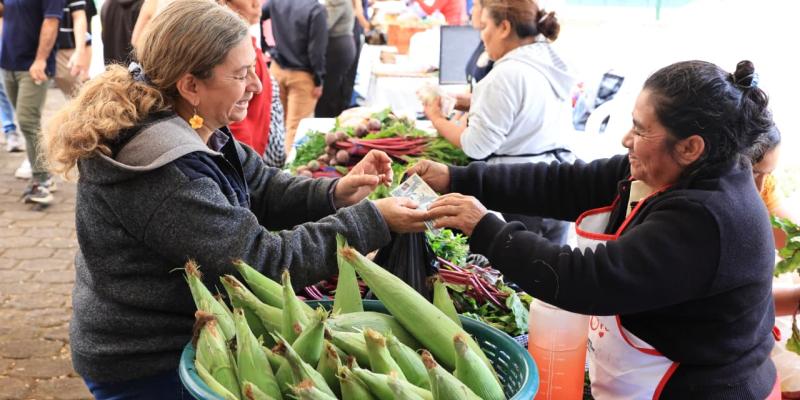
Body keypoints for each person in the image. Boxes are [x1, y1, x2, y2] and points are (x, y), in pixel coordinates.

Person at [43, 1, 427, 396]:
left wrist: (334, 192)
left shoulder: (192, 122)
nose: (257, 86)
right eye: (242, 74)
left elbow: (260, 185)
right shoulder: (165, 171)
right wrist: (370, 221)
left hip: (175, 338)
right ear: (191, 84)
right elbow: (258, 261)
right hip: (147, 360)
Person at [411, 60, 780, 398]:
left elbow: (589, 279)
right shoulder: (664, 171)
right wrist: (457, 177)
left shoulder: (708, 219)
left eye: (640, 130)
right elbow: (563, 184)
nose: (626, 140)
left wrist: (487, 230)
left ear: (690, 147)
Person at [422, 0, 575, 245]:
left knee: (518, 275)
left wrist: (436, 118)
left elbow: (476, 146)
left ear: (504, 28)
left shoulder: (506, 73)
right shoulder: (546, 61)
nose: (482, 37)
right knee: (549, 274)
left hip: (520, 189)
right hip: (559, 182)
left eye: (484, 26)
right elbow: (522, 111)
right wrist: (467, 102)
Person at [1, 0, 61, 205]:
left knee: (27, 120)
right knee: (27, 122)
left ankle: (42, 181)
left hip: (34, 66)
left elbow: (51, 22)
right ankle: (46, 175)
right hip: (8, 64)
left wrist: (41, 59)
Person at [222, 0, 286, 167]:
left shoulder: (248, 43)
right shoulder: (229, 51)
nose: (257, 3)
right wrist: (248, 169)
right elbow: (231, 120)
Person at [264, 0, 328, 154]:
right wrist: (319, 80)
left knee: (277, 125)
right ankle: (287, 173)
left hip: (277, 70)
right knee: (296, 128)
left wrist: (267, 47)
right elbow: (316, 52)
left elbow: (258, 14)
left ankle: (275, 170)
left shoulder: (276, 2)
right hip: (303, 76)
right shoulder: (316, 10)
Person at [314, 0, 356, 118]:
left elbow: (325, 24)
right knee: (333, 90)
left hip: (337, 49)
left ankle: (324, 123)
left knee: (328, 93)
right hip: (338, 47)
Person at [54, 0, 91, 97]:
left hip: (64, 48)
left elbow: (79, 17)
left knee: (78, 96)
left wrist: (80, 52)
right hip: (31, 48)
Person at [100, 0, 142, 65]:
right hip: (136, 70)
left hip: (113, 70)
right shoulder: (145, 7)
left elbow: (104, 38)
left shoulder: (106, 5)